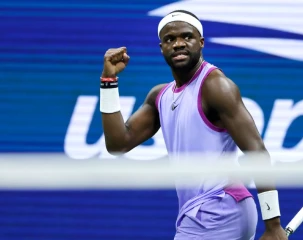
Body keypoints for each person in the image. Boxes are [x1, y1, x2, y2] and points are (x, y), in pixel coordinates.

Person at [99, 9, 288, 240]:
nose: (178, 44)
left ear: (201, 43)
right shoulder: (160, 96)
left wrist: (273, 224)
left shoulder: (216, 87)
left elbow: (256, 151)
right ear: (162, 48)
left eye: (186, 37)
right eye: (170, 39)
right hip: (200, 211)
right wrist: (109, 81)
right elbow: (118, 143)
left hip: (219, 207)